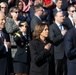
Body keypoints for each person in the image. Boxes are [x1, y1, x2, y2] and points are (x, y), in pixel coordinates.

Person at [0, 11, 13, 75]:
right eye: (2, 20)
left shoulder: (5, 33)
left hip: (6, 69)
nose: (4, 22)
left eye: (4, 20)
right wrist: (5, 46)